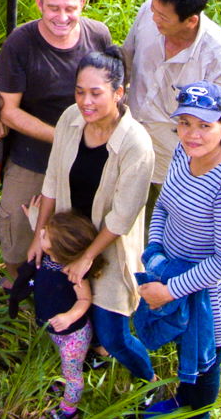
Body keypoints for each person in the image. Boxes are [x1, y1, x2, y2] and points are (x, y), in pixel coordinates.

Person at [136, 81, 221, 419]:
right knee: (184, 353)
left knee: (204, 362)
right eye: (185, 123)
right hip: (171, 276)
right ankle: (181, 404)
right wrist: (153, 253)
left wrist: (168, 289)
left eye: (204, 125)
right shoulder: (181, 155)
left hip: (210, 301)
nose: (192, 133)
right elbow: (164, 207)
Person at [31, 51, 157, 391]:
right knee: (66, 304)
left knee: (114, 334)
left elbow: (122, 217)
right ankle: (84, 360)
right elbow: (52, 182)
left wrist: (88, 257)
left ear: (119, 92)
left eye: (96, 93)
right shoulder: (70, 119)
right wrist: (40, 234)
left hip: (109, 246)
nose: (85, 102)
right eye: (79, 91)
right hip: (68, 238)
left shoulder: (136, 144)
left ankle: (149, 383)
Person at [0, 0, 118, 281]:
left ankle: (71, 289)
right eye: (53, 8)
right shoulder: (20, 42)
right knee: (17, 227)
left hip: (88, 153)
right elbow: (8, 110)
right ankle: (16, 284)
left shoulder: (98, 35)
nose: (61, 17)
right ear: (38, 4)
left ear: (83, 5)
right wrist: (63, 137)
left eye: (70, 9)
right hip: (33, 153)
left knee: (78, 227)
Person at [123, 0, 221, 196]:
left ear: (191, 21)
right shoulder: (149, 13)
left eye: (162, 17)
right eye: (154, 10)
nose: (154, 19)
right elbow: (126, 61)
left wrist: (205, 179)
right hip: (127, 143)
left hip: (175, 167)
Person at [8, 211, 103, 419]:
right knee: (66, 364)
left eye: (46, 233)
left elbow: (85, 299)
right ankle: (65, 385)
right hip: (54, 331)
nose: (41, 232)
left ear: (58, 247)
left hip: (72, 336)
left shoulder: (72, 271)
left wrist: (69, 316)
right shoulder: (48, 258)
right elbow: (41, 241)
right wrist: (35, 218)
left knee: (73, 372)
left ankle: (69, 409)